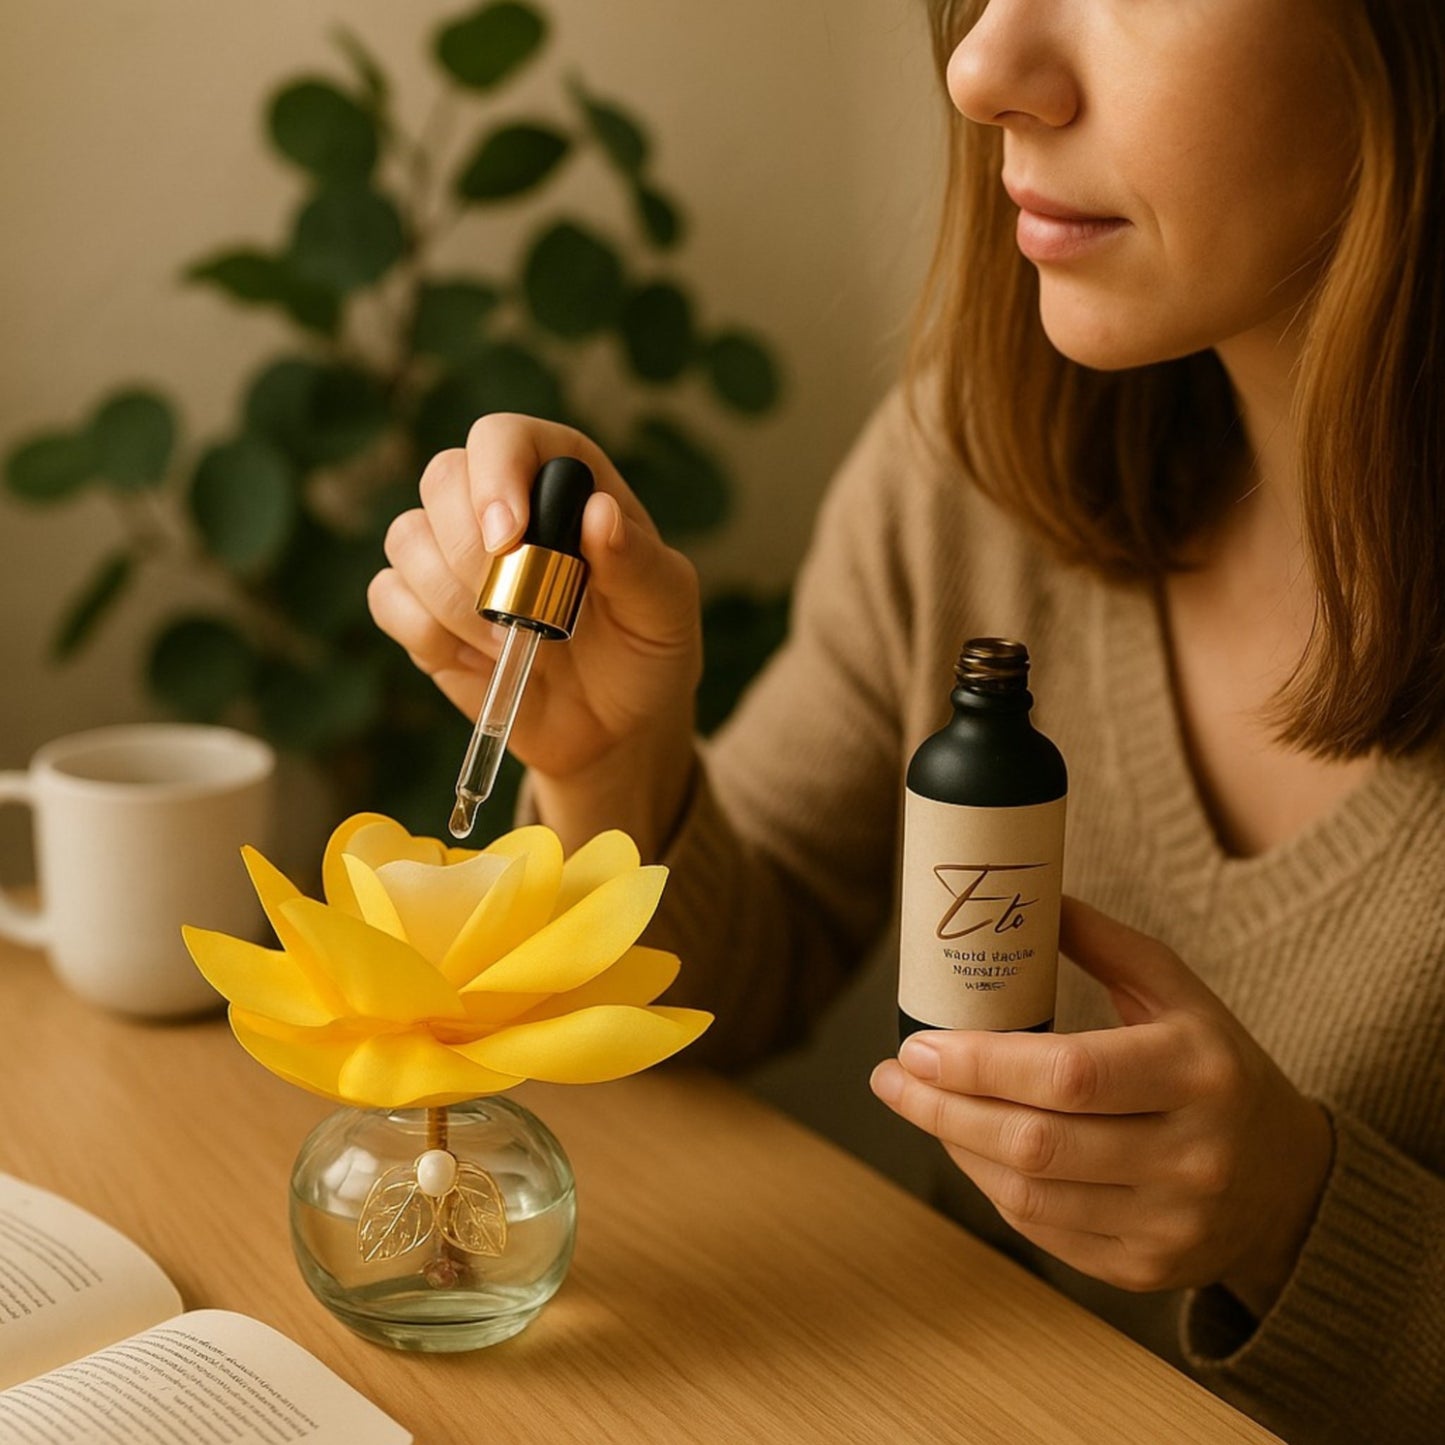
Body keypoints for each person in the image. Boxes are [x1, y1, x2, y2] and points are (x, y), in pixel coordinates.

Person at [367, 1, 1445, 1440]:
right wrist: (609, 759)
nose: (981, 70)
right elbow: (726, 995)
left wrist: (1294, 1219)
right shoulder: (975, 469)